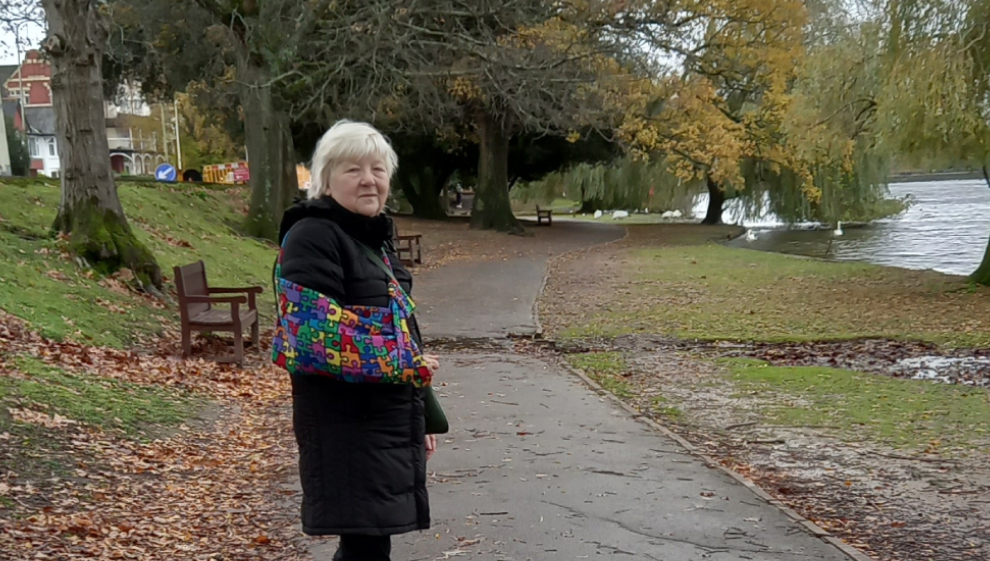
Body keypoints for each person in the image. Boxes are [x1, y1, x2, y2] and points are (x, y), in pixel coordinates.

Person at [274, 119, 438, 561]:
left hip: (383, 418)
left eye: (378, 169)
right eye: (353, 170)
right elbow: (311, 337)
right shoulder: (313, 236)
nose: (369, 180)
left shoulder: (370, 236)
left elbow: (399, 328)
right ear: (326, 180)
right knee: (365, 546)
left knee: (368, 545)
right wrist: (405, 365)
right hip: (343, 423)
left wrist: (418, 412)